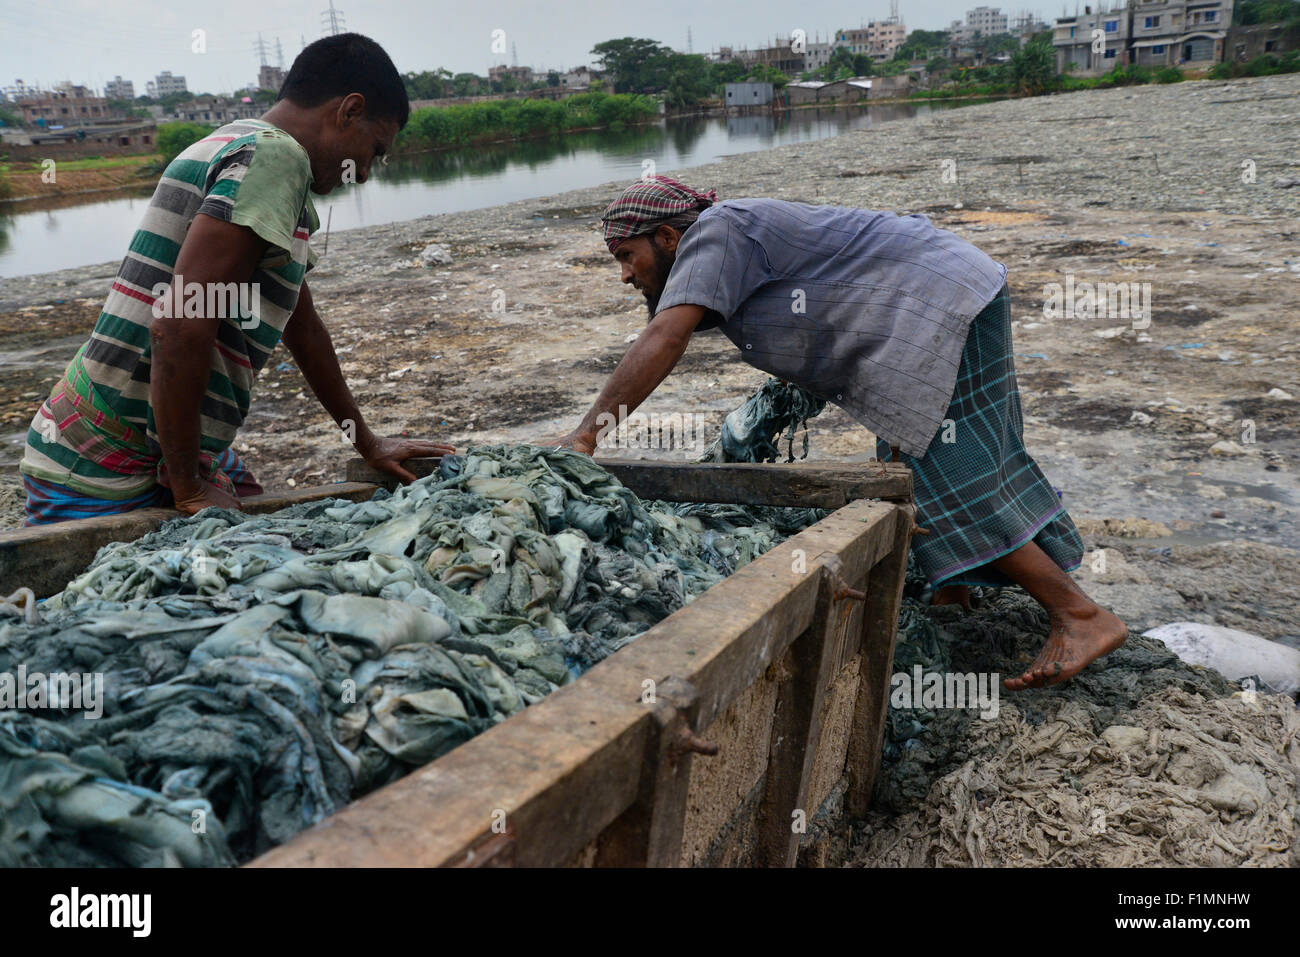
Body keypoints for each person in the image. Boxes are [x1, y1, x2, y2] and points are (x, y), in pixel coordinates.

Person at [549, 175, 1127, 691]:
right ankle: (954, 593)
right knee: (913, 456)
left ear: (668, 238)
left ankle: (1079, 615)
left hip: (941, 304)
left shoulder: (715, 232)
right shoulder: (725, 240)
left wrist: (585, 436)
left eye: (627, 255)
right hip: (942, 301)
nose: (626, 275)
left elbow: (663, 340)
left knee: (944, 469)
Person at [20, 33, 452, 525]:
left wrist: (367, 441)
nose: (368, 173)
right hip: (105, 461)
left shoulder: (241, 143)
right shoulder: (274, 160)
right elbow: (179, 324)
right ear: (349, 111)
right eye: (375, 151)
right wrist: (188, 489)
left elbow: (302, 328)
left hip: (153, 439)